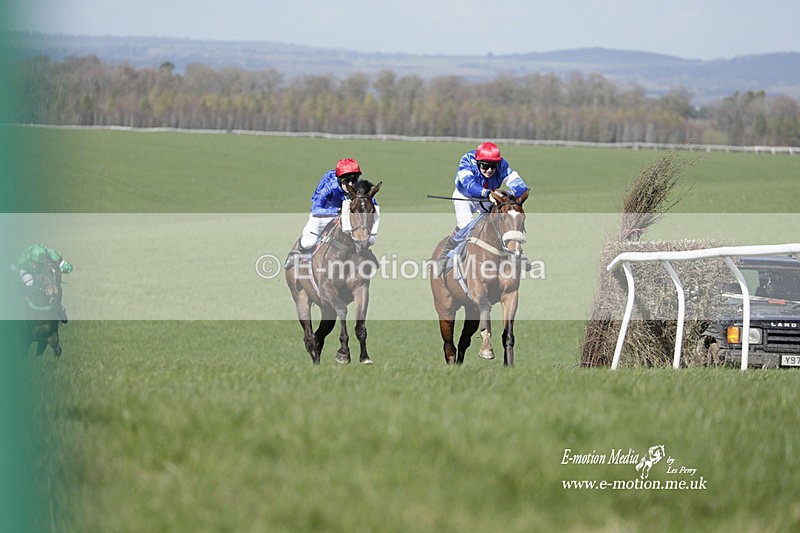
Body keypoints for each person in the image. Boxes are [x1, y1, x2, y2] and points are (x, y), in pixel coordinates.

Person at [433, 141, 530, 272]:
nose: (489, 170)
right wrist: (487, 193)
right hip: (465, 196)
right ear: (478, 162)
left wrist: (512, 195)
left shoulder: (502, 165)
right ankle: (445, 255)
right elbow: (468, 184)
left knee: (503, 219)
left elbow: (519, 184)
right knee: (466, 224)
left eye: (493, 166)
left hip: (488, 196)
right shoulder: (467, 160)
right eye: (485, 166)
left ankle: (517, 252)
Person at [285, 158, 379, 269]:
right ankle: (297, 252)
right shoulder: (329, 187)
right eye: (347, 180)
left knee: (363, 233)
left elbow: (368, 203)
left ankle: (365, 251)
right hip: (323, 214)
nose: (351, 184)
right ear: (340, 180)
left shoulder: (357, 188)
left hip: (345, 215)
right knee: (308, 242)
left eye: (354, 180)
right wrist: (337, 211)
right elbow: (315, 209)